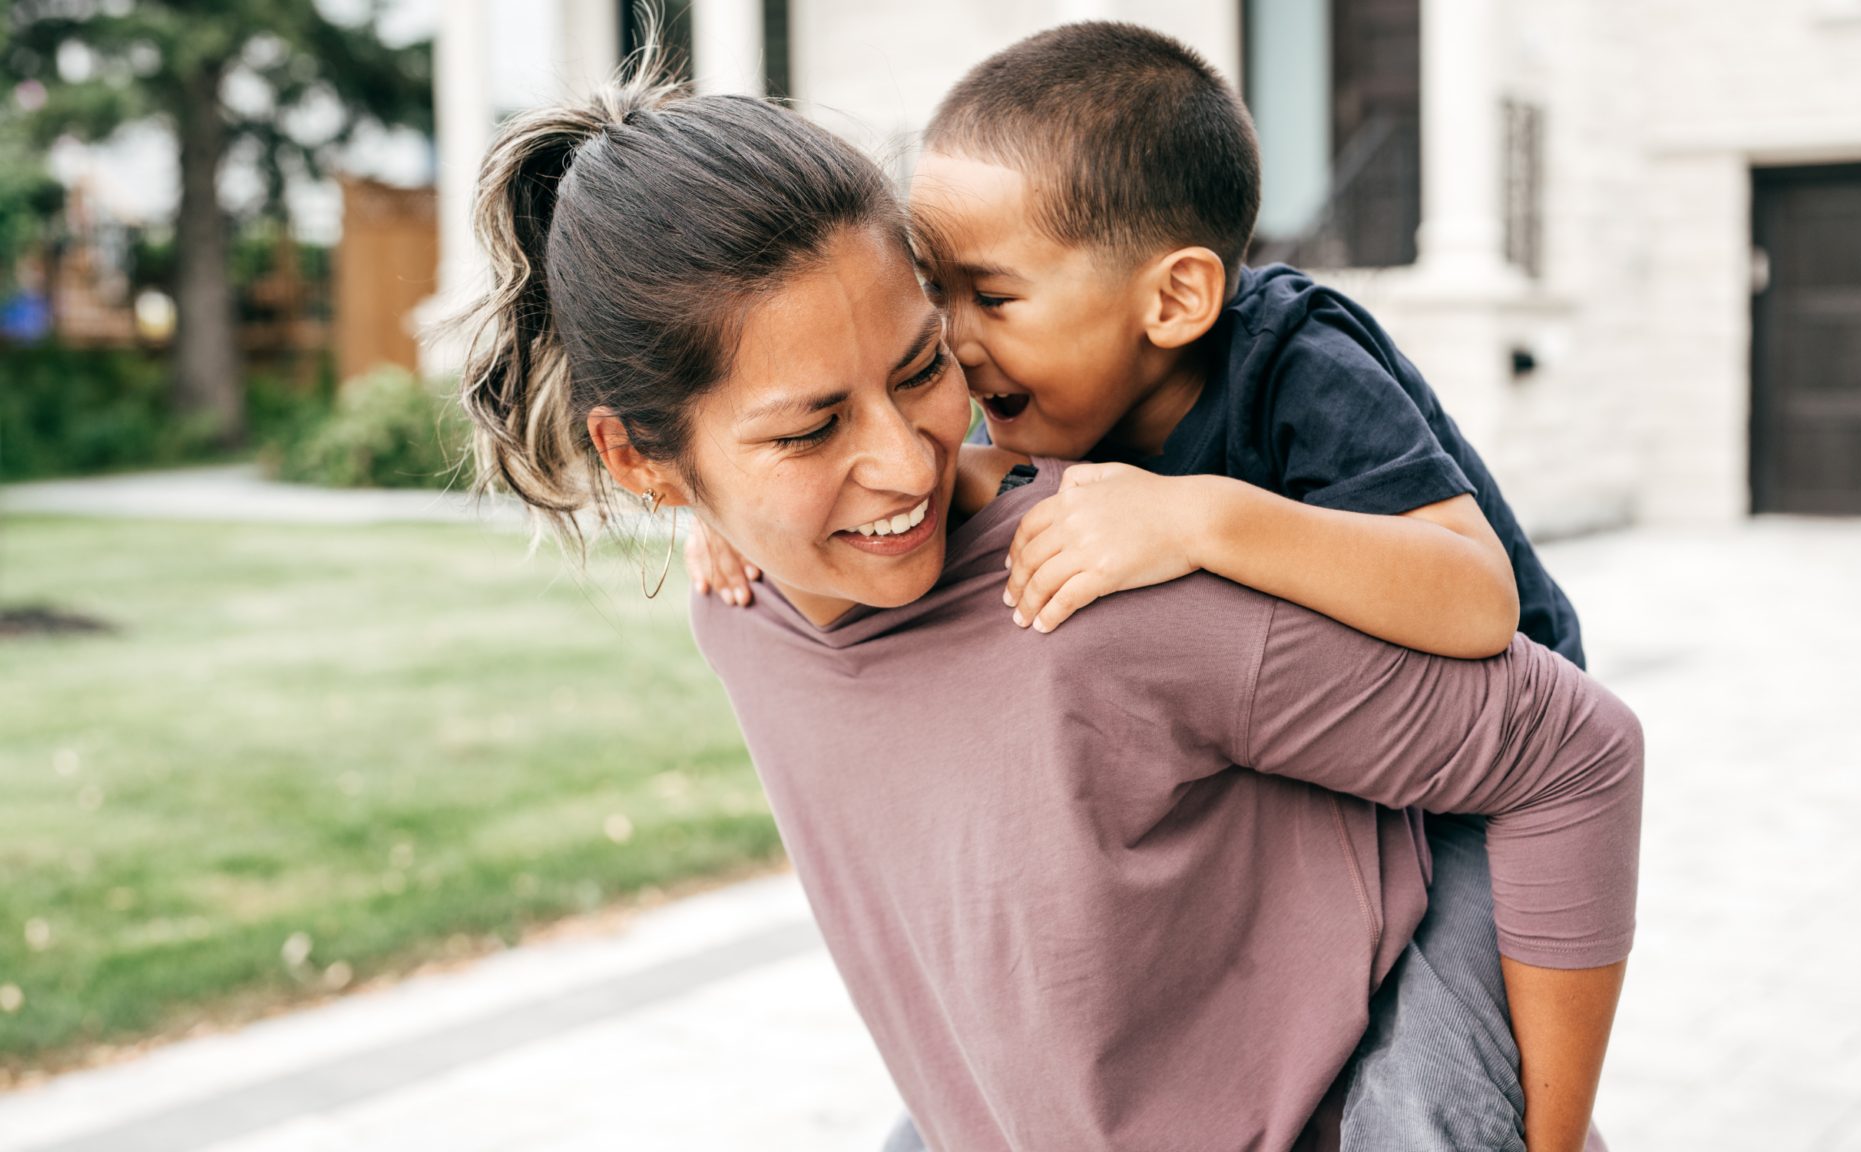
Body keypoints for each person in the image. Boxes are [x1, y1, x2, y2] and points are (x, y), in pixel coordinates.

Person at [458, 65, 1639, 1152]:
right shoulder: (743, 605)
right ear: (643, 461)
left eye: (925, 366)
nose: (915, 465)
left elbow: (1535, 692)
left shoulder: (1206, 468)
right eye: (811, 427)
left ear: (1173, 299)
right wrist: (726, 513)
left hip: (1477, 739)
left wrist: (1205, 519)